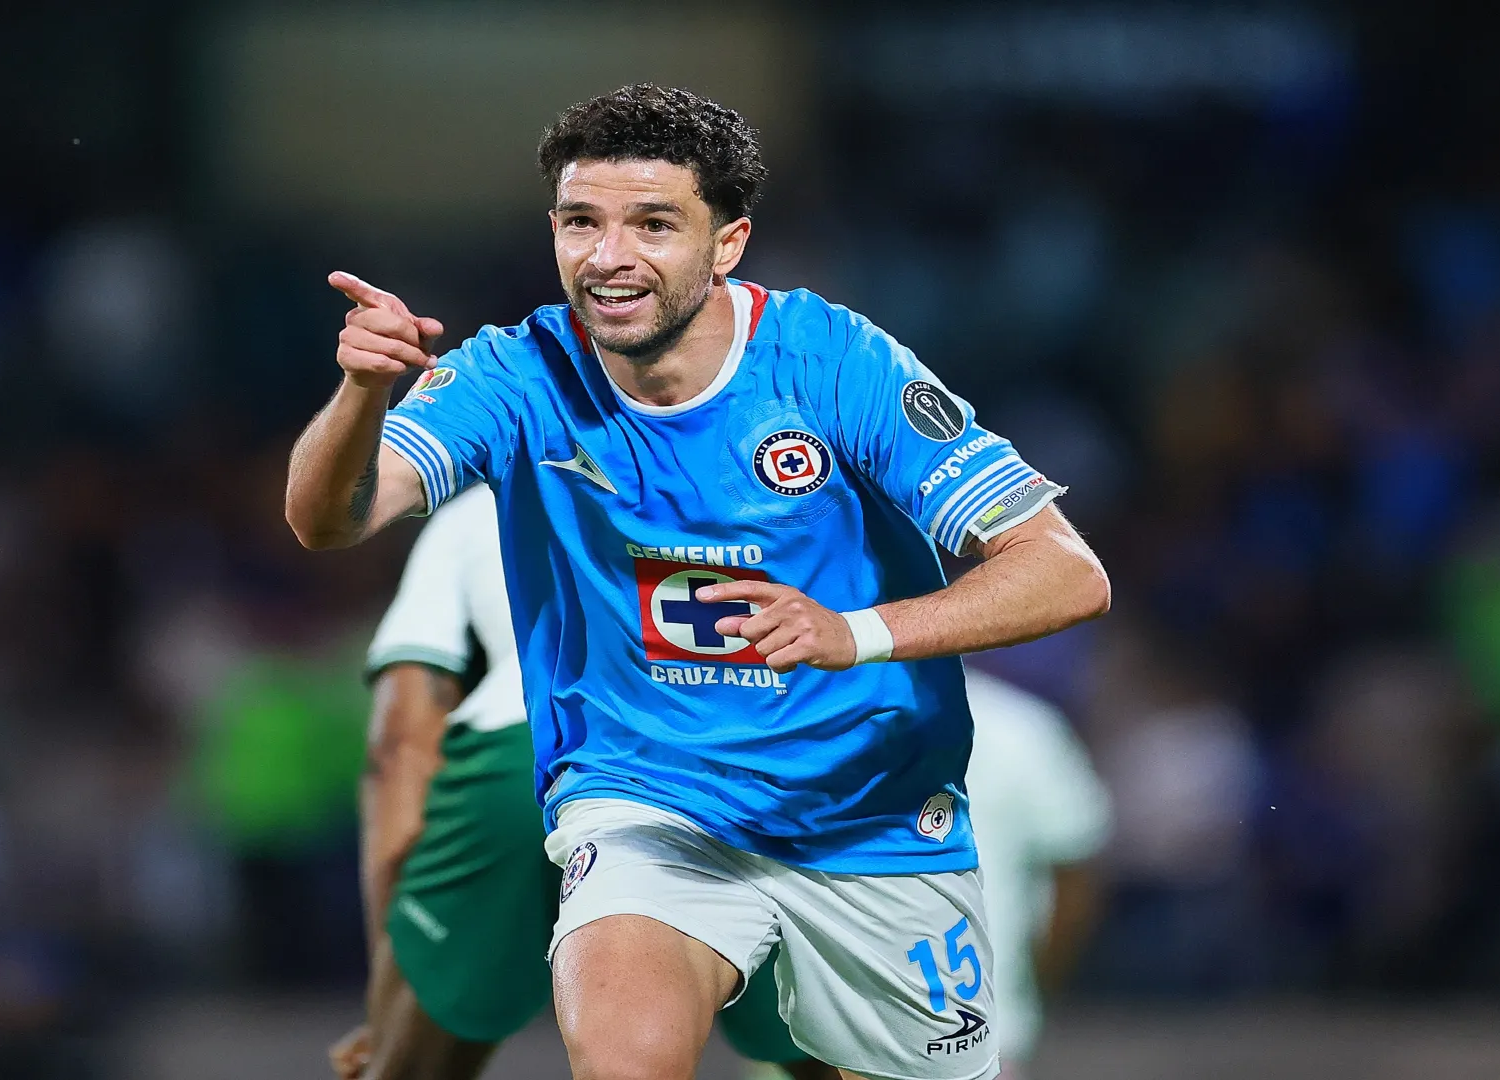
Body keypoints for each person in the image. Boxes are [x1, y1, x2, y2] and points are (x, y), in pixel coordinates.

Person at [286, 83, 1110, 1080]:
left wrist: (856, 632)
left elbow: (1064, 572)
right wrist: (363, 394)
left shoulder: (834, 363)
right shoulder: (518, 372)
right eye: (581, 222)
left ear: (728, 243)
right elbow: (331, 517)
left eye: (653, 224)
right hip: (643, 805)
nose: (608, 256)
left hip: (869, 820)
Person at [329, 484, 836, 1080]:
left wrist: (400, 970)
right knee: (832, 1060)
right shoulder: (746, 486)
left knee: (413, 1069)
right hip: (736, 767)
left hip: (528, 760)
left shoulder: (484, 504)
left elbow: (401, 743)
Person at [960, 665, 1113, 1080]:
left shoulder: (814, 717)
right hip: (979, 1019)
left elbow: (1075, 876)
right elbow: (1076, 881)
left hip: (819, 1025)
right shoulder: (1022, 725)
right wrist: (1037, 984)